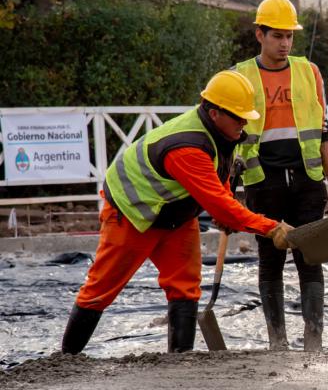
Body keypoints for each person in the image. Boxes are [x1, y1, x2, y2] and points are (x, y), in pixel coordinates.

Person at [61, 70, 295, 355]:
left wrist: (226, 204)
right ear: (214, 112)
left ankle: (180, 361)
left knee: (185, 286)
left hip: (176, 213)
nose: (244, 122)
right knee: (101, 288)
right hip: (132, 213)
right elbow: (218, 203)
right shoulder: (187, 147)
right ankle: (66, 359)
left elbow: (218, 180)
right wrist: (270, 228)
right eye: (238, 116)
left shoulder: (223, 133)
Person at [234, 0, 328, 352]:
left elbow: (323, 128)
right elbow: (228, 137)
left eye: (289, 36)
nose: (284, 43)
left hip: (307, 181)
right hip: (263, 184)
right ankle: (277, 342)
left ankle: (314, 341)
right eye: (277, 35)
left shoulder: (308, 72)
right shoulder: (241, 76)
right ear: (259, 35)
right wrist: (225, 188)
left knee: (312, 261)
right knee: (270, 263)